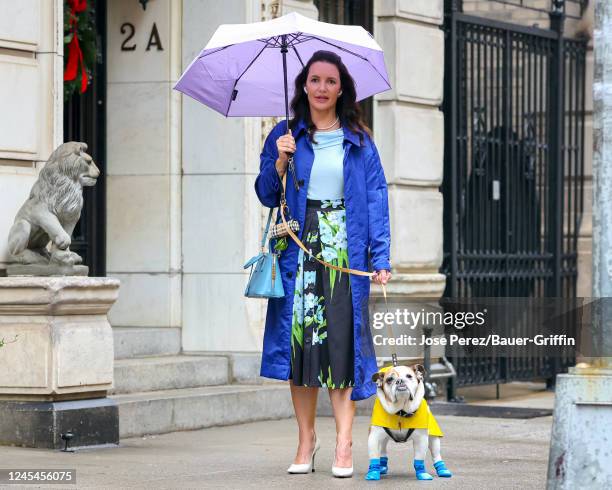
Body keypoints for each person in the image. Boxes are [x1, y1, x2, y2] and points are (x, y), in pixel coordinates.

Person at [254, 50, 391, 478]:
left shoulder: (359, 141)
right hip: (299, 248)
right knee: (300, 348)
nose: (321, 88)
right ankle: (306, 440)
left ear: (342, 88)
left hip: (345, 252)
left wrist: (381, 256)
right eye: (314, 80)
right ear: (304, 86)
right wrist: (279, 159)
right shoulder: (286, 133)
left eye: (330, 81)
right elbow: (264, 193)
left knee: (342, 349)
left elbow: (376, 200)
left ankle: (345, 444)